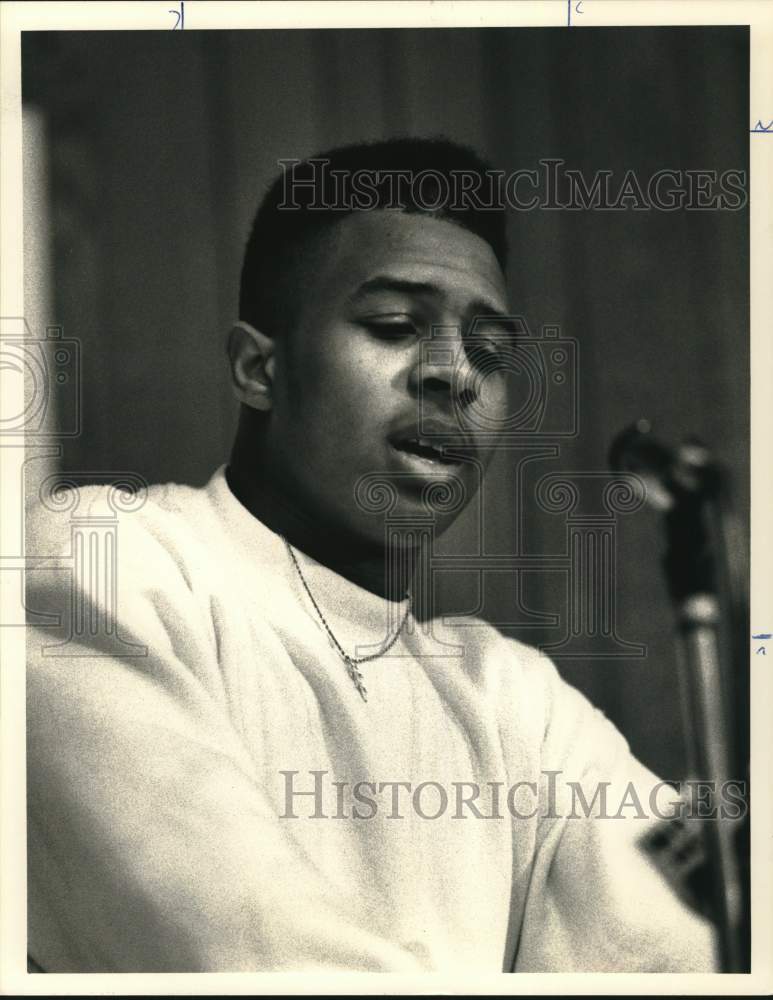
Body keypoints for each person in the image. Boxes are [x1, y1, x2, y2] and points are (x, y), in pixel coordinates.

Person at [25, 138, 717, 973]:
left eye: (490, 354)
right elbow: (244, 953)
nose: (454, 375)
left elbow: (688, 954)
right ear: (258, 367)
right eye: (394, 326)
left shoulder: (510, 699)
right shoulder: (108, 562)